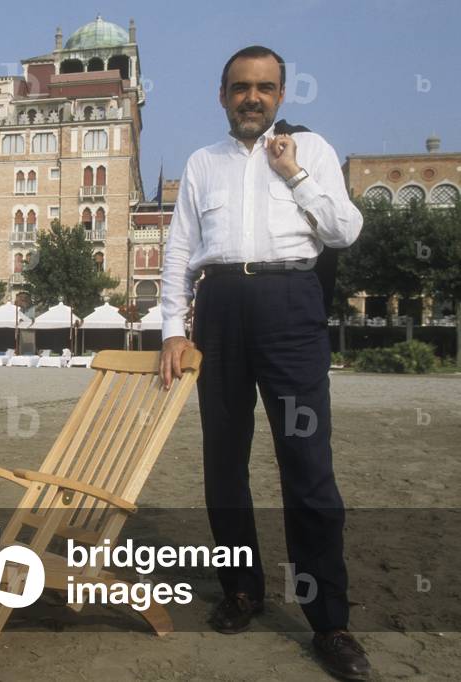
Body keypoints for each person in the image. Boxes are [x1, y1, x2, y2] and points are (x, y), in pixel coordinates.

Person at [158, 46, 369, 680]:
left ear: (282, 94)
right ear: (221, 95)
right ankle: (241, 590)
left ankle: (329, 621)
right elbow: (178, 251)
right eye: (240, 87)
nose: (253, 97)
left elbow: (345, 231)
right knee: (224, 463)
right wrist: (172, 328)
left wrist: (295, 174)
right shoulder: (201, 164)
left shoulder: (315, 151)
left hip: (291, 306)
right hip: (219, 306)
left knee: (306, 464)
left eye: (265, 88)